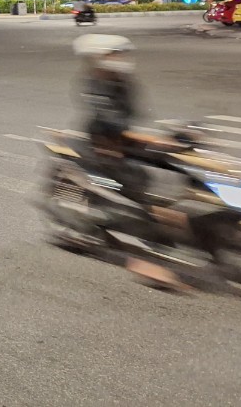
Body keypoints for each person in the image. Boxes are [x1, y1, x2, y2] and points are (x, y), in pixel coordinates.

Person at [73, 34, 187, 291]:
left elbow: (135, 115)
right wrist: (143, 139)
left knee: (171, 166)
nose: (120, 58)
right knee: (137, 185)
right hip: (103, 147)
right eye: (113, 54)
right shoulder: (94, 83)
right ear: (99, 58)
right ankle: (140, 253)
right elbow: (107, 122)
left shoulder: (124, 82)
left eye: (120, 54)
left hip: (126, 142)